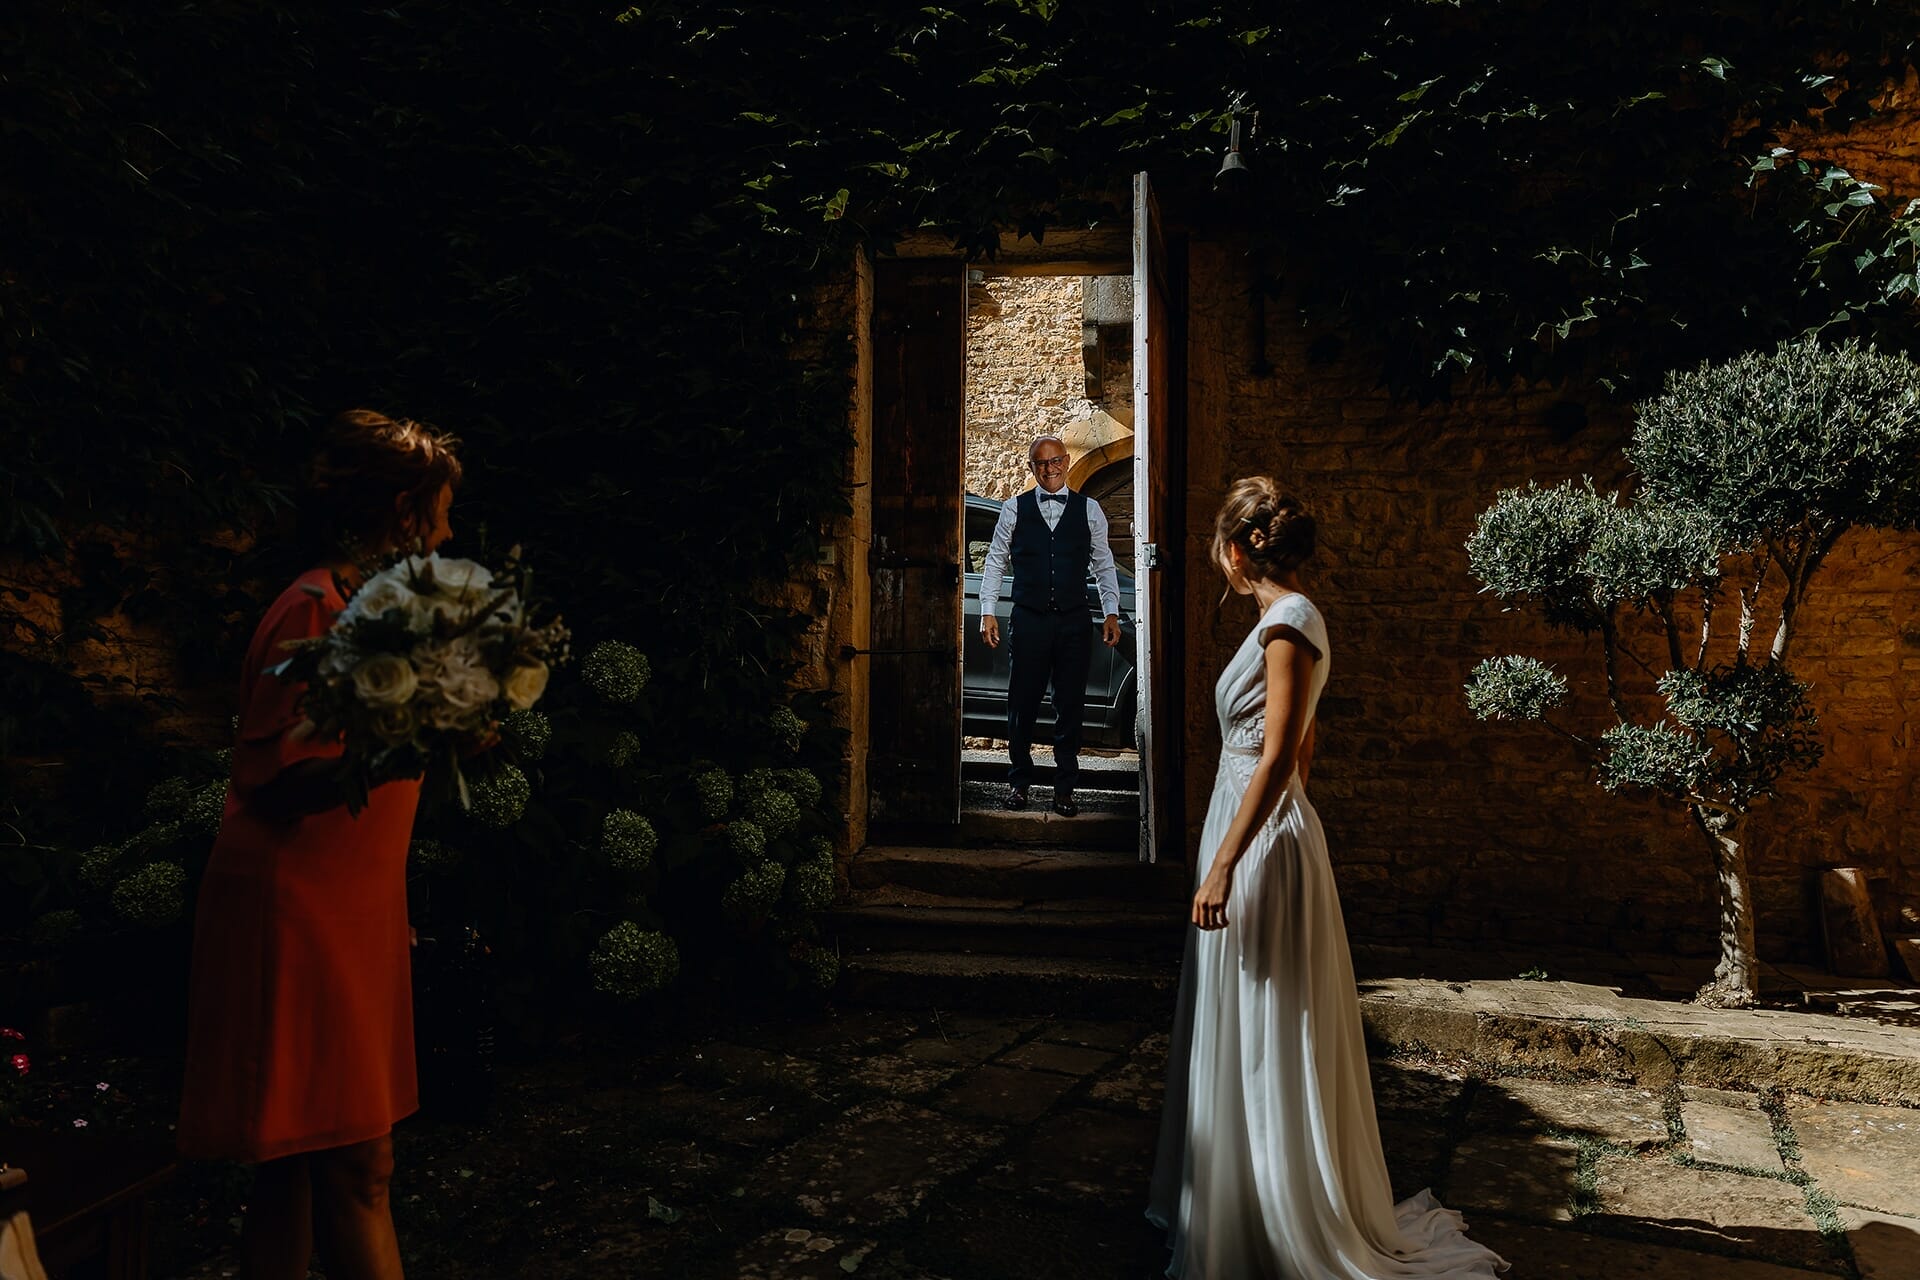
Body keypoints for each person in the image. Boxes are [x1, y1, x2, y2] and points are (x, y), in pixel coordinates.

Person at [1147, 478, 1506, 1279]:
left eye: (1219, 547)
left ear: (1239, 550)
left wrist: (1225, 864)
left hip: (1258, 837)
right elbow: (1306, 751)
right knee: (1250, 1015)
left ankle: (1275, 1213)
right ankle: (1240, 1197)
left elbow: (1278, 755)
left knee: (1268, 1016)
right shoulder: (1289, 620)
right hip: (1263, 821)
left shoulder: (1287, 624)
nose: (1218, 559)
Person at [178, 409, 463, 1280]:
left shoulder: (373, 616)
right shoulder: (312, 610)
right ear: (407, 509)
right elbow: (280, 782)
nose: (450, 532)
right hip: (296, 912)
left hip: (352, 908)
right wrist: (417, 735)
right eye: (442, 511)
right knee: (354, 1164)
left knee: (298, 1165)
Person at [977, 433, 1122, 817]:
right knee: (1021, 702)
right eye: (1041, 463)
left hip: (1074, 620)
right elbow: (994, 561)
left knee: (1069, 704)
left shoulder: (1090, 510)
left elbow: (1103, 563)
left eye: (1056, 460)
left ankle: (1065, 791)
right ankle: (1019, 784)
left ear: (1067, 462)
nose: (1050, 468)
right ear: (1032, 468)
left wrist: (1111, 611)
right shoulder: (1013, 509)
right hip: (1028, 619)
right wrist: (987, 609)